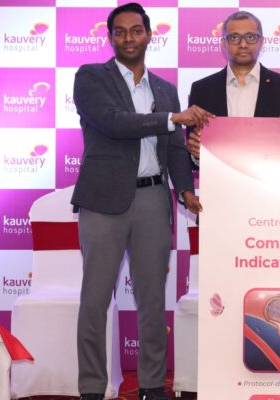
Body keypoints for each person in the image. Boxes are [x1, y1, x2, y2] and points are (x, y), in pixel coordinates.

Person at [71, 3, 211, 399]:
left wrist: (185, 190)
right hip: (103, 202)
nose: (128, 38)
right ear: (110, 37)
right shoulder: (91, 77)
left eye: (136, 30)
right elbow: (114, 122)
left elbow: (175, 149)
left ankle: (151, 385)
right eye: (120, 32)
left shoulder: (165, 89)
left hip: (153, 199)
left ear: (149, 35)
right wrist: (173, 118)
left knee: (152, 300)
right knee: (96, 299)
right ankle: (92, 388)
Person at [186, 10, 280, 165]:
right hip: (219, 178)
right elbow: (194, 146)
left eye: (250, 37)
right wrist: (196, 153)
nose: (243, 44)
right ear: (223, 44)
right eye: (234, 37)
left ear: (261, 42)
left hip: (268, 177)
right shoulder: (202, 89)